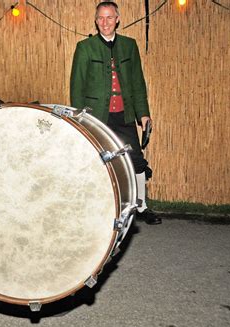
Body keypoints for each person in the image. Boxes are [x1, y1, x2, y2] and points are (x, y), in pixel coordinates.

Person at [70, 1, 161, 225]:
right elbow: (77, 85)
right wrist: (81, 117)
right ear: (96, 20)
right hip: (96, 116)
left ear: (117, 19)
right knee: (94, 161)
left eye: (109, 17)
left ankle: (141, 206)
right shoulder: (85, 47)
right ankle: (95, 205)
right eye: (101, 18)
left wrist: (143, 113)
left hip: (124, 114)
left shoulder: (130, 46)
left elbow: (137, 82)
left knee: (136, 160)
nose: (105, 22)